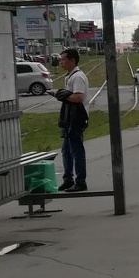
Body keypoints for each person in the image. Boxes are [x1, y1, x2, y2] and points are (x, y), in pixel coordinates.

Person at [54, 48, 89, 191]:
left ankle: (80, 181)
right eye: (61, 60)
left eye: (64, 60)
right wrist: (60, 94)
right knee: (66, 150)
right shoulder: (69, 76)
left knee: (76, 150)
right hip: (69, 117)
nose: (61, 62)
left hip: (77, 117)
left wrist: (61, 95)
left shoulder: (78, 77)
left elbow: (78, 97)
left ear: (72, 60)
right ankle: (68, 179)